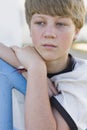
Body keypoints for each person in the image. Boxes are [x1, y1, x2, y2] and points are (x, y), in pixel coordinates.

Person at [0, 0, 87, 130]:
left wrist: (36, 69)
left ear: (76, 32)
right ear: (29, 28)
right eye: (40, 23)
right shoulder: (25, 57)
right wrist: (27, 65)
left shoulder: (81, 76)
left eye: (61, 24)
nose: (49, 33)